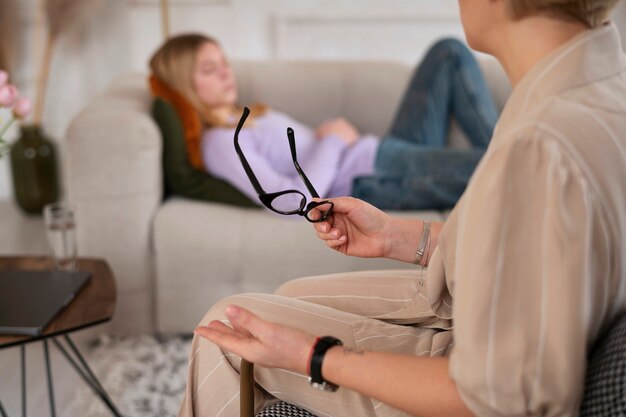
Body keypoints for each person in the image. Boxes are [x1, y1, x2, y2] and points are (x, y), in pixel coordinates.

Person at [177, 0, 626, 416]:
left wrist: (314, 356)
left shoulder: (538, 151)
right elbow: (523, 244)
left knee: (225, 329)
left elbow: (500, 399)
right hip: (467, 306)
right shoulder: (591, 92)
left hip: (460, 360)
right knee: (291, 292)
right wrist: (401, 236)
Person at [149, 34, 499, 211]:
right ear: (184, 87)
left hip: (378, 154)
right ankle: (519, 158)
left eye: (224, 62)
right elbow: (291, 202)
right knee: (499, 165)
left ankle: (510, 151)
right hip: (371, 177)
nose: (227, 72)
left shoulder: (241, 117)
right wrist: (331, 140)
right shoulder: (221, 142)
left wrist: (324, 142)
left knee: (449, 52)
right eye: (210, 69)